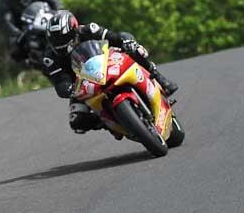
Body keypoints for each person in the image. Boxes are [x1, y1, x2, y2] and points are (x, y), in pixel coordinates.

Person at [43, 10, 179, 133]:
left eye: (62, 39)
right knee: (77, 121)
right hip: (81, 84)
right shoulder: (50, 58)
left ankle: (159, 78)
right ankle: (110, 122)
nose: (60, 44)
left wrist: (126, 42)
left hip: (105, 64)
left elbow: (114, 38)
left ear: (74, 29)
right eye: (55, 41)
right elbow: (60, 81)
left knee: (131, 45)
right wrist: (68, 89)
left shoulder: (89, 30)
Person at [0, 0, 63, 66]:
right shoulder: (6, 0)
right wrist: (16, 31)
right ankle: (30, 63)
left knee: (65, 24)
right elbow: (7, 20)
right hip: (24, 28)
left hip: (42, 17)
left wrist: (59, 11)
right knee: (15, 50)